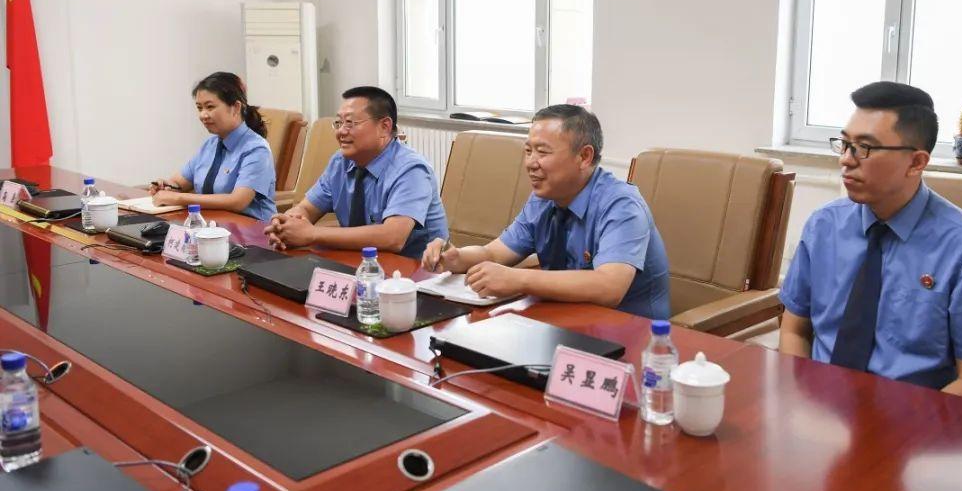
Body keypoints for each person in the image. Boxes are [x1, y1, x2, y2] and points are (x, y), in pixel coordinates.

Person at [778, 82, 962, 401]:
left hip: (911, 419)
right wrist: (798, 397)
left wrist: (896, 430)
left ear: (916, 162)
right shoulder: (824, 226)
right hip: (818, 407)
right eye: (845, 144)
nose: (846, 160)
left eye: (865, 147)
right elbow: (794, 329)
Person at [421, 105, 670, 319]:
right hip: (565, 320)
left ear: (584, 156)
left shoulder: (621, 205)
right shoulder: (544, 199)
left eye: (542, 152)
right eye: (528, 151)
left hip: (631, 334)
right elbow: (494, 254)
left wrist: (517, 279)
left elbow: (609, 287)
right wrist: (458, 258)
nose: (531, 163)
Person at [264, 86, 447, 258]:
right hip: (360, 262)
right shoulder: (340, 162)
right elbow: (307, 208)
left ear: (384, 127)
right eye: (339, 123)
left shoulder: (411, 169)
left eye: (350, 123)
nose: (341, 132)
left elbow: (393, 237)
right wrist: (286, 224)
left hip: (414, 271)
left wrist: (312, 234)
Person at [150, 72, 276, 221]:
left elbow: (237, 201)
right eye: (199, 108)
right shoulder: (210, 145)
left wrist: (178, 198)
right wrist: (166, 186)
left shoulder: (256, 149)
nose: (203, 115)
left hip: (251, 229)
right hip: (212, 226)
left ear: (236, 107)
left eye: (210, 107)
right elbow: (178, 182)